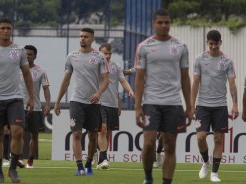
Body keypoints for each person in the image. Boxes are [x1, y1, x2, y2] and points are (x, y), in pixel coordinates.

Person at [134, 8, 192, 184]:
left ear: (170, 23)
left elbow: (185, 77)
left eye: (167, 22)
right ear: (154, 24)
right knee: (149, 143)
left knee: (170, 145)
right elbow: (140, 77)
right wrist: (137, 107)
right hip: (151, 102)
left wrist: (189, 106)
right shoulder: (144, 47)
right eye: (160, 22)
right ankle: (148, 177)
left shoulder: (181, 46)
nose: (164, 25)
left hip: (173, 104)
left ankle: (167, 181)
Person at [0, 18, 34, 183]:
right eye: (2, 28)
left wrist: (31, 97)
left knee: (17, 132)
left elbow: (26, 74)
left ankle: (13, 170)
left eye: (9, 28)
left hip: (16, 98)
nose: (6, 31)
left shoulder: (19, 50)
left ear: (12, 30)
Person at [54, 28, 109, 176]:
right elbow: (66, 81)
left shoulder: (99, 57)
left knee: (92, 135)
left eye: (85, 36)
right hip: (76, 101)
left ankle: (89, 163)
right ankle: (79, 167)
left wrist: (98, 93)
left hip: (94, 102)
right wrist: (58, 101)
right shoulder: (72, 56)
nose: (82, 38)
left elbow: (105, 80)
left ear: (92, 39)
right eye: (81, 36)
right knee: (76, 134)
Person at [191, 30, 239, 182]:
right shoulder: (199, 59)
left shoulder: (227, 61)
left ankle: (214, 173)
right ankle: (206, 162)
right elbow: (195, 83)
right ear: (207, 43)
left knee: (219, 139)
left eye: (215, 44)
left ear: (220, 43)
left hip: (220, 106)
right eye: (210, 44)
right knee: (200, 137)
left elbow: (232, 84)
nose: (213, 47)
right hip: (203, 105)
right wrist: (191, 105)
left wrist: (235, 104)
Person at [96, 43, 134, 170]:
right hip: (99, 103)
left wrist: (130, 90)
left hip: (112, 104)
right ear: (99, 52)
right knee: (103, 128)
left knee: (108, 132)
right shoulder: (95, 66)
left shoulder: (116, 67)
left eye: (109, 53)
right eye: (104, 53)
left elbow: (122, 80)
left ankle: (100, 155)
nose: (107, 56)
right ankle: (104, 158)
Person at [20, 45, 51, 168]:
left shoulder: (41, 71)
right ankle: (19, 157)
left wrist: (47, 105)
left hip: (35, 108)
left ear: (35, 56)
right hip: (18, 107)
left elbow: (46, 89)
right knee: (18, 133)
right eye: (25, 54)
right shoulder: (16, 68)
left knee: (34, 135)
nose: (27, 56)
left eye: (30, 54)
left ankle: (30, 161)